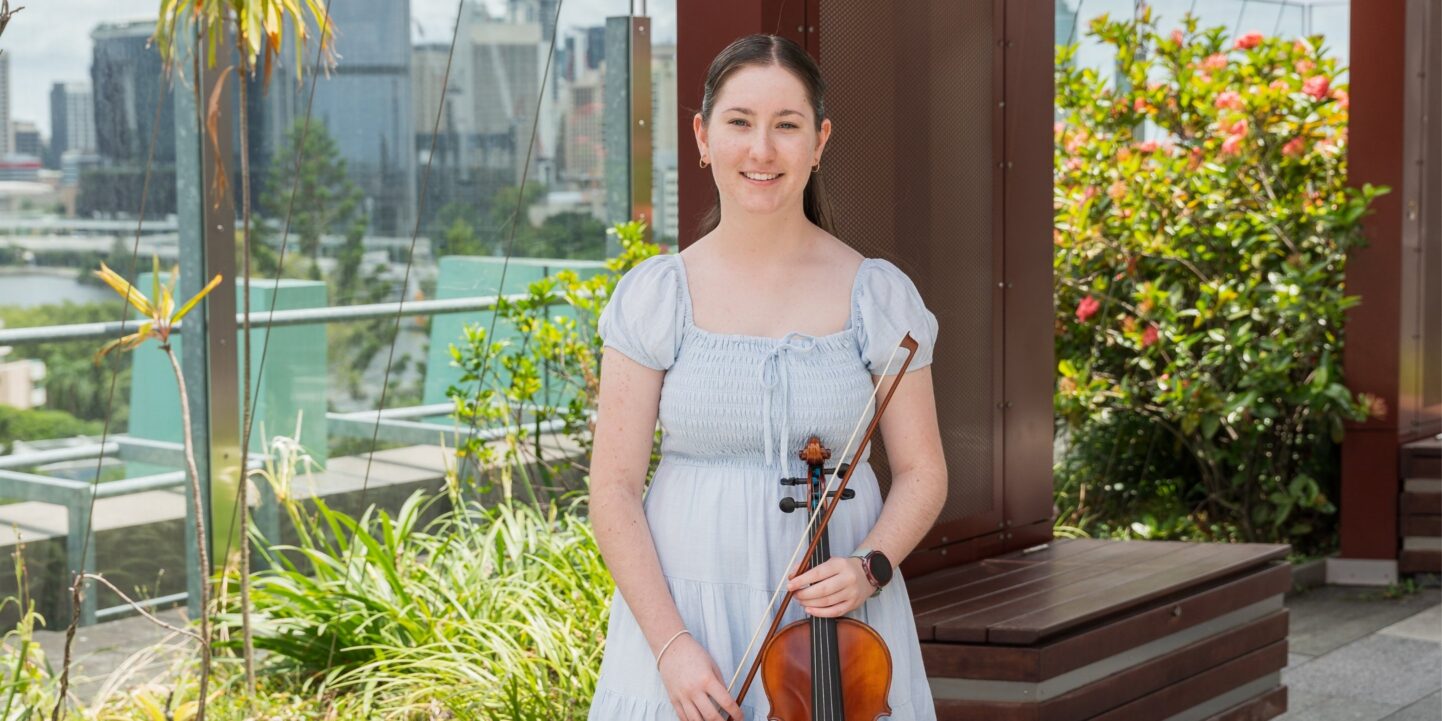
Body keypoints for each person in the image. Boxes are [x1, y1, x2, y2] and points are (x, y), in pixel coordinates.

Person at [587, 33, 946, 721]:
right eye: (740, 122)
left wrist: (870, 564)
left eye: (787, 126)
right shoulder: (657, 295)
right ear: (702, 135)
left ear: (819, 141)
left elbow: (924, 470)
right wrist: (670, 645)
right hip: (683, 614)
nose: (762, 150)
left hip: (838, 630)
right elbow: (613, 487)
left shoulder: (877, 296)